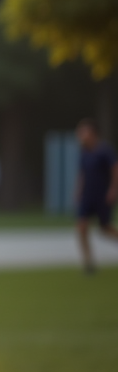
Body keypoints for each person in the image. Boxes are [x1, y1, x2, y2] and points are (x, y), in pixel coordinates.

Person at [74, 117, 118, 274]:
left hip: (102, 195)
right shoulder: (84, 152)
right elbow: (82, 174)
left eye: (83, 132)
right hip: (87, 195)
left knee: (105, 228)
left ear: (92, 133)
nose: (80, 135)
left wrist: (113, 189)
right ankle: (88, 262)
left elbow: (115, 169)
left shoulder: (104, 150)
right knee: (81, 227)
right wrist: (78, 190)